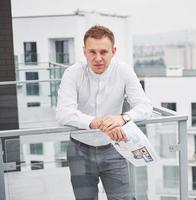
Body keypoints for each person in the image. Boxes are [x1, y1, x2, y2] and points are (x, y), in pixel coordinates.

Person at [56, 25, 153, 200]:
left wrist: (122, 118)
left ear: (113, 51)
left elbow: (145, 107)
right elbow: (63, 112)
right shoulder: (72, 73)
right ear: (84, 52)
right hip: (79, 151)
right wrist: (98, 122)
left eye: (103, 52)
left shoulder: (123, 70)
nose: (98, 58)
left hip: (115, 149)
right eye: (92, 52)